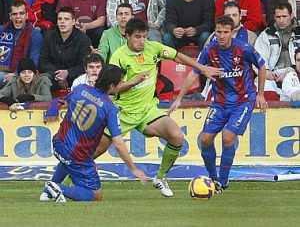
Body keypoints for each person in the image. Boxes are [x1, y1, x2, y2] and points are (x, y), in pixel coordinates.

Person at [93, 18, 224, 197]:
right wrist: (133, 81)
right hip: (123, 112)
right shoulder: (118, 56)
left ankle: (160, 177)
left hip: (148, 110)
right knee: (94, 152)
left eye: (145, 37)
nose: (142, 41)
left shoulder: (153, 48)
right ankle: (63, 182)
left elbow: (177, 56)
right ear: (127, 36)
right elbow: (112, 89)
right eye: (138, 37)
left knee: (177, 136)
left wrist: (202, 67)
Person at [169, 15, 267, 193]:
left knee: (228, 137)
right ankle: (213, 179)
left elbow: (261, 66)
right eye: (218, 32)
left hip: (243, 101)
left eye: (225, 32)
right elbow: (193, 73)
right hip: (220, 102)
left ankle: (223, 180)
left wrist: (260, 94)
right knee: (205, 139)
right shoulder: (209, 50)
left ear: (232, 33)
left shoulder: (243, 48)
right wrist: (178, 98)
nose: (222, 36)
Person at [40, 64, 146, 202]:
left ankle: (47, 193)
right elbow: (119, 143)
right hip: (77, 156)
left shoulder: (80, 89)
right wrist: (133, 169)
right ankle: (58, 188)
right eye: (121, 82)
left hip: (58, 143)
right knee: (95, 194)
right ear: (112, 86)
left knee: (67, 162)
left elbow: (62, 102)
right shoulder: (110, 108)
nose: (122, 84)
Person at [201, 0, 257, 100]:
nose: (231, 18)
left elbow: (258, 66)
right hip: (217, 83)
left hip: (242, 84)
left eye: (234, 15)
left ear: (240, 17)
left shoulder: (250, 36)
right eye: (228, 15)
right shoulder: (213, 37)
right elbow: (201, 64)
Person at [39, 6, 92, 91]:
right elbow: (43, 61)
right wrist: (58, 74)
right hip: (54, 76)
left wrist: (68, 73)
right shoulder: (49, 36)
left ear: (73, 22)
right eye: (60, 19)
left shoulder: (83, 39)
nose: (62, 22)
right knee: (44, 79)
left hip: (74, 77)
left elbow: (83, 65)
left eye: (66, 19)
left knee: (85, 80)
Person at [254, 2, 300, 100]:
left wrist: (291, 70)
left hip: (295, 72)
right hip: (272, 74)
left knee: (292, 81)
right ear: (274, 17)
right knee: (260, 84)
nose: (281, 20)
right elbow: (257, 56)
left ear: (291, 16)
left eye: (284, 16)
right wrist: (265, 71)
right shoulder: (266, 34)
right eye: (278, 17)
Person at [0, 0, 43, 89]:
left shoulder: (34, 35)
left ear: (27, 15)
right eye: (14, 14)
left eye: (21, 13)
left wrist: (16, 74)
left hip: (21, 75)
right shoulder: (2, 30)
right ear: (10, 16)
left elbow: (33, 62)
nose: (18, 17)